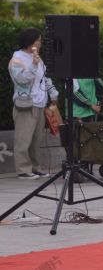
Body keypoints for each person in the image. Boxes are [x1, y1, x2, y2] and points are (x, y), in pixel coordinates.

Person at [8, 28, 59, 180]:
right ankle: (23, 170)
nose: (40, 43)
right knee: (23, 139)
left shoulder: (38, 58)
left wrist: (53, 94)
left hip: (39, 104)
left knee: (37, 139)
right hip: (25, 105)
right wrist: (33, 65)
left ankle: (36, 168)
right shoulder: (17, 59)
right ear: (30, 41)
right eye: (38, 40)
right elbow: (21, 79)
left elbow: (45, 78)